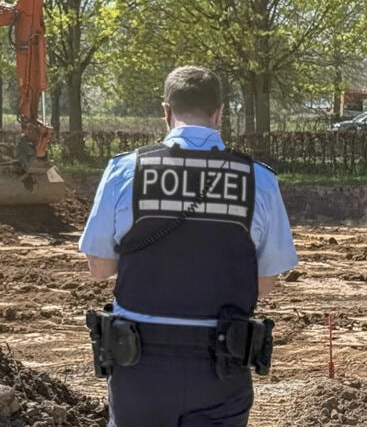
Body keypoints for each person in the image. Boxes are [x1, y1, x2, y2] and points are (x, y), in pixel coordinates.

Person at [79, 65, 298, 427]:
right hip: (220, 370)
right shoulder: (258, 179)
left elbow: (99, 268)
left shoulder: (123, 170)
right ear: (220, 112)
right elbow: (265, 284)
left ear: (166, 112)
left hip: (137, 370)